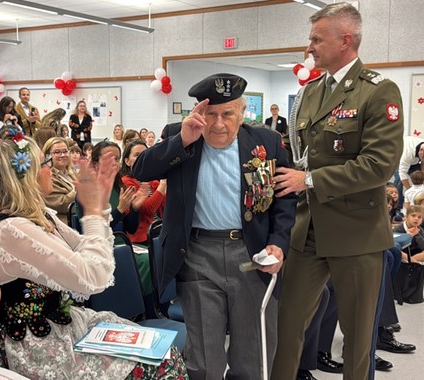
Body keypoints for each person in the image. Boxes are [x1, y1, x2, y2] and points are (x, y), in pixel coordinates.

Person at [0, 134, 187, 379]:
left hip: (58, 325)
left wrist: (99, 209)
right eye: (45, 163)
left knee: (162, 352)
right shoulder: (12, 229)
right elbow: (92, 278)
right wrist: (95, 212)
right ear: (25, 176)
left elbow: (84, 247)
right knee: (158, 364)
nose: (51, 169)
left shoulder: (38, 215)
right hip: (30, 341)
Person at [134, 73, 297, 380]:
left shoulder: (266, 142)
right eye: (211, 114)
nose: (219, 124)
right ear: (199, 113)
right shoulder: (179, 134)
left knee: (252, 357)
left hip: (251, 254)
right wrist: (182, 140)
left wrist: (278, 242)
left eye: (227, 114)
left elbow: (285, 199)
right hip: (197, 255)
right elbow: (141, 168)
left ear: (242, 112)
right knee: (204, 361)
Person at [272, 3, 404, 379]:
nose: (309, 47)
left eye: (316, 39)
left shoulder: (378, 92)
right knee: (287, 326)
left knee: (358, 339)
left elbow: (379, 165)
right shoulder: (312, 92)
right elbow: (307, 157)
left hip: (357, 233)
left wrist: (309, 180)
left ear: (345, 40)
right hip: (309, 230)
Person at [120, 139, 165, 244]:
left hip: (159, 232)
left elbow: (166, 206)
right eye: (137, 155)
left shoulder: (152, 181)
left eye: (145, 154)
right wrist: (163, 184)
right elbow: (146, 209)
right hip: (141, 238)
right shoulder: (126, 182)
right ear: (127, 161)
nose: (142, 158)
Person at [41, 137, 77, 225]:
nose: (63, 155)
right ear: (47, 156)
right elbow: (62, 205)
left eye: (65, 151)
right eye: (57, 152)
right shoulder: (47, 178)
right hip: (62, 225)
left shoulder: (72, 173)